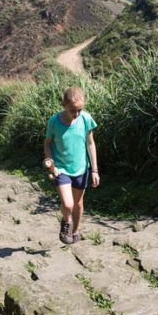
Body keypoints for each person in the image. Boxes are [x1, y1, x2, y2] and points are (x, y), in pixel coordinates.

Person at [43, 86, 100, 244]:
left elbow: (90, 143)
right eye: (72, 110)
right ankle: (66, 221)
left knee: (78, 204)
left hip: (81, 169)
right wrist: (49, 160)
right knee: (68, 204)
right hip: (61, 169)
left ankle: (75, 231)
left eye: (79, 110)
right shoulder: (54, 122)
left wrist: (94, 170)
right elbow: (47, 143)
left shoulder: (86, 119)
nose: (76, 114)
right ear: (63, 105)